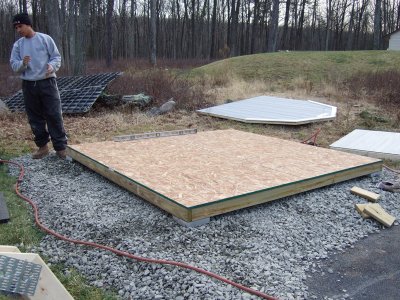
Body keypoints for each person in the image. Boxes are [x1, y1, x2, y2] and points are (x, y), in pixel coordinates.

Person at [10, 13, 67, 159]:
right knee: (34, 117)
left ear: (28, 24)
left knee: (54, 114)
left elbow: (56, 57)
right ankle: (42, 147)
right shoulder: (18, 45)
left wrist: (52, 66)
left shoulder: (45, 39)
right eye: (16, 27)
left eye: (20, 26)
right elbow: (14, 65)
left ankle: (61, 148)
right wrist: (23, 63)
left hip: (47, 82)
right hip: (29, 85)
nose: (18, 30)